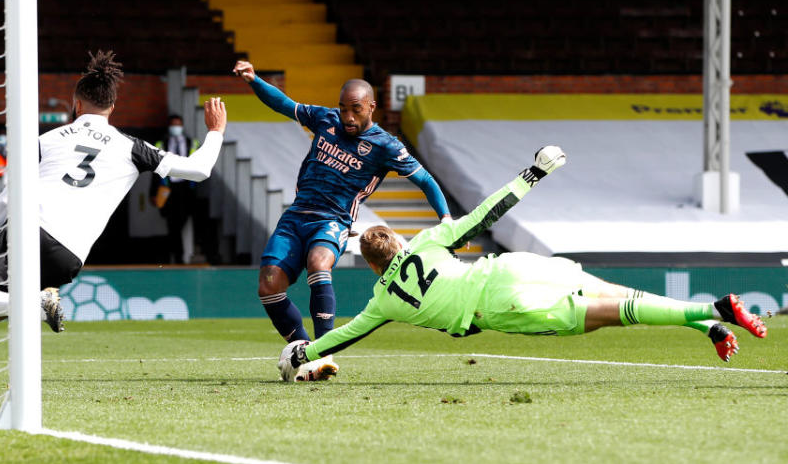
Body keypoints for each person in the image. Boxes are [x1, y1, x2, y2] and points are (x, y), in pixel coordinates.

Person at [0, 50, 228, 397]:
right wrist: (215, 131)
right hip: (69, 256)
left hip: (27, 231)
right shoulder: (133, 148)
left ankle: (35, 304)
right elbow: (199, 169)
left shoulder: (47, 140)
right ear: (112, 108)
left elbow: (6, 199)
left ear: (76, 104)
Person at [278, 155, 768, 382]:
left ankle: (714, 309)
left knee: (614, 313)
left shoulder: (381, 300)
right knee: (612, 291)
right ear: (399, 241)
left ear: (369, 265)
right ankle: (706, 321)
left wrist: (303, 354)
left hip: (502, 306)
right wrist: (531, 174)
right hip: (508, 267)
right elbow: (483, 215)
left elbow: (341, 338)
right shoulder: (427, 240)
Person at [232, 59, 453, 344]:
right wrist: (253, 79)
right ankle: (303, 350)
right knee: (268, 285)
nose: (348, 116)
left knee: (318, 262)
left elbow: (425, 180)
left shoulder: (386, 145)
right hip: (296, 215)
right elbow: (284, 104)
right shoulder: (326, 120)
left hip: (333, 220)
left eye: (356, 109)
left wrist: (446, 219)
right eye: (343, 108)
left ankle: (324, 350)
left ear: (371, 107)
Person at [152, 114, 201, 264]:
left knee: (180, 221)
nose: (176, 128)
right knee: (172, 222)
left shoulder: (191, 143)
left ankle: (177, 255)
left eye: (178, 125)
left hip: (186, 188)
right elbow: (154, 170)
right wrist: (152, 192)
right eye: (173, 125)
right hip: (168, 187)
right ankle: (177, 257)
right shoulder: (162, 143)